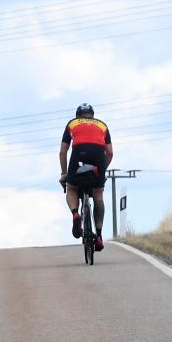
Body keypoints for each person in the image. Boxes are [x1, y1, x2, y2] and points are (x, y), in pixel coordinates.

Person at [59, 103, 113, 250]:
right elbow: (110, 152)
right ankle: (100, 235)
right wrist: (102, 171)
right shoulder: (102, 125)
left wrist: (64, 174)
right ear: (92, 115)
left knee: (72, 188)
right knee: (98, 193)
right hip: (98, 157)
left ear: (78, 115)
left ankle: (76, 214)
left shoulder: (72, 123)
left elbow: (63, 150)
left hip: (79, 155)